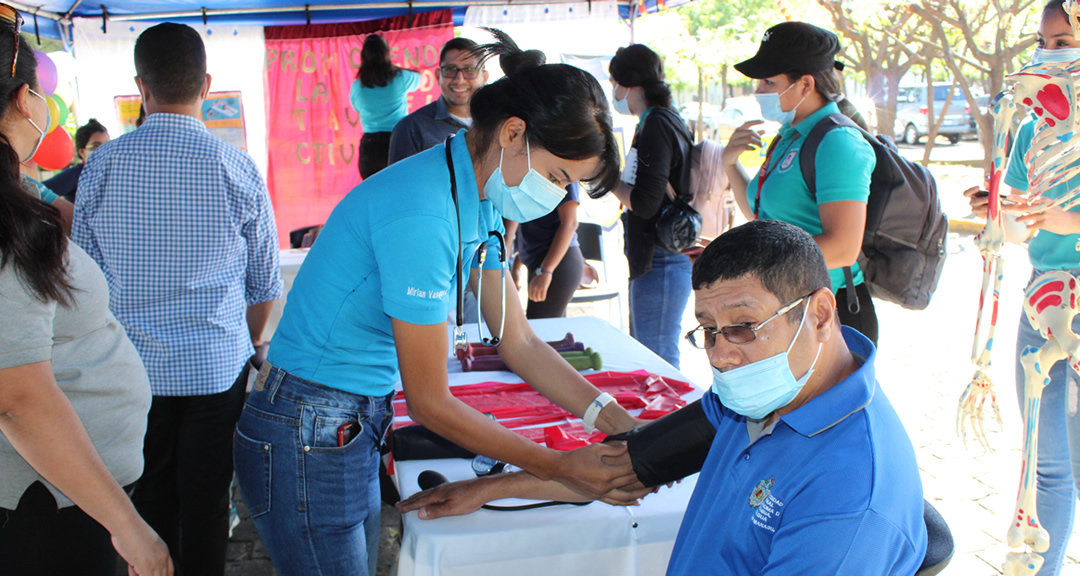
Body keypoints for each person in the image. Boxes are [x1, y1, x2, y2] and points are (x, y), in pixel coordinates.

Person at [233, 31, 635, 576]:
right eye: (558, 176)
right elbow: (429, 402)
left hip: (348, 417)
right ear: (513, 133)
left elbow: (515, 337)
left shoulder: (479, 192)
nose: (556, 193)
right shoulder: (423, 212)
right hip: (309, 423)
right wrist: (560, 467)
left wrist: (609, 416)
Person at [398, 219, 928, 575]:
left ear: (819, 314)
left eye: (744, 326)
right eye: (708, 330)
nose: (720, 356)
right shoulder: (752, 399)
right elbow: (621, 467)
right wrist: (491, 489)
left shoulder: (851, 498)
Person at [72, 23, 282, 576]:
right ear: (206, 84)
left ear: (141, 86)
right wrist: (252, 343)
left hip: (129, 372)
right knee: (209, 503)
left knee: (148, 499)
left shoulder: (102, 166)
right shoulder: (236, 166)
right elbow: (264, 285)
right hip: (215, 369)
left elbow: (82, 282)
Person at [0, 7, 172, 575]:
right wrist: (129, 527)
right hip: (50, 500)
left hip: (66, 492)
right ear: (26, 100)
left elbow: (42, 201)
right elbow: (19, 398)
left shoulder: (16, 196)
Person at [965, 3, 1080, 574]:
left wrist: (1069, 220)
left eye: (1063, 40)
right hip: (1042, 297)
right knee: (1045, 468)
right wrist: (997, 211)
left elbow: (1056, 217)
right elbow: (1016, 225)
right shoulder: (1032, 123)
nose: (1049, 53)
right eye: (1044, 41)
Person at [722, 22, 879, 346]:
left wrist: (751, 261)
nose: (758, 90)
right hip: (785, 308)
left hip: (827, 315)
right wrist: (730, 164)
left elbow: (843, 248)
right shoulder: (789, 136)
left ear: (806, 84)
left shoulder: (838, 141)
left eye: (769, 81)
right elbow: (762, 219)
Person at [604, 43, 694, 369]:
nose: (613, 91)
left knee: (657, 359)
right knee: (649, 353)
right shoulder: (660, 119)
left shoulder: (657, 123)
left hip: (663, 259)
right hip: (657, 256)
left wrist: (609, 181)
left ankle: (672, 421)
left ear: (630, 83)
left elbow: (645, 202)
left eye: (614, 83)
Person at [388, 37, 489, 164]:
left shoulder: (499, 123)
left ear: (484, 77)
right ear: (437, 76)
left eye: (469, 70)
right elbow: (401, 182)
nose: (459, 79)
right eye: (450, 69)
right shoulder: (411, 128)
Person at [505, 182, 583, 319]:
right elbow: (520, 215)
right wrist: (516, 263)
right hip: (538, 262)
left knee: (541, 330)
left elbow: (570, 223)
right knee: (548, 332)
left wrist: (546, 270)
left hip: (557, 263)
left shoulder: (565, 169)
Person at [351, 33, 420, 178]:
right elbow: (423, 77)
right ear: (386, 53)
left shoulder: (357, 86)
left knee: (373, 195)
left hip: (370, 148)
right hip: (397, 141)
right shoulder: (400, 78)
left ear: (363, 55)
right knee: (400, 191)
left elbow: (357, 108)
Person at [44, 118, 109, 203]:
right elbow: (36, 193)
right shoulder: (76, 175)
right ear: (82, 152)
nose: (103, 150)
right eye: (96, 146)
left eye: (107, 145)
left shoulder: (112, 171)